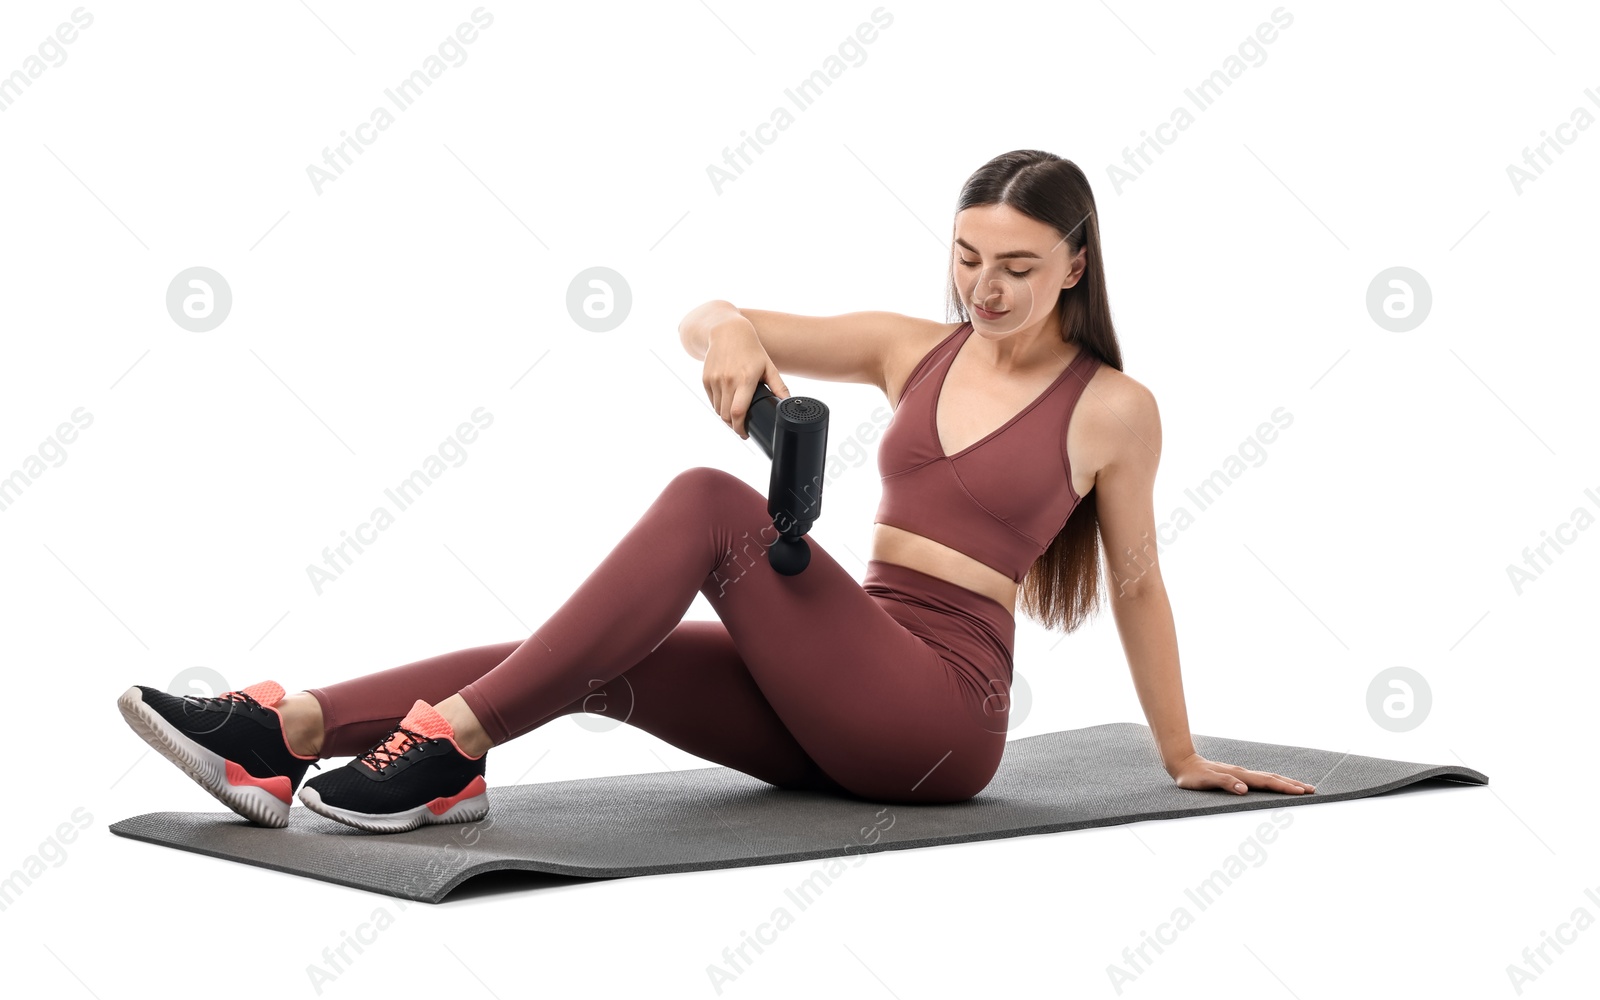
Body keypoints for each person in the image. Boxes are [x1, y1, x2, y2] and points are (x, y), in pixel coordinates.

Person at [116, 149, 1316, 835]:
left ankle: (449, 749)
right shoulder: (915, 347)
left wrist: (1179, 754)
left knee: (706, 500)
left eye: (1014, 267)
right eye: (964, 257)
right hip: (845, 662)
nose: (982, 289)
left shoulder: (1112, 405)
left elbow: (1144, 585)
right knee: (607, 655)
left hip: (938, 719)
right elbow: (708, 305)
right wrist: (729, 336)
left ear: (1074, 266)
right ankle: (290, 735)